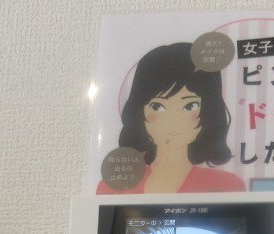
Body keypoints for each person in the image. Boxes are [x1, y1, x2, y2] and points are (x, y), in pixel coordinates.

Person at [97, 42, 245, 194]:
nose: (173, 121)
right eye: (157, 106)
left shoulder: (227, 185)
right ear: (139, 111)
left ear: (210, 111)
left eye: (190, 106)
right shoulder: (113, 186)